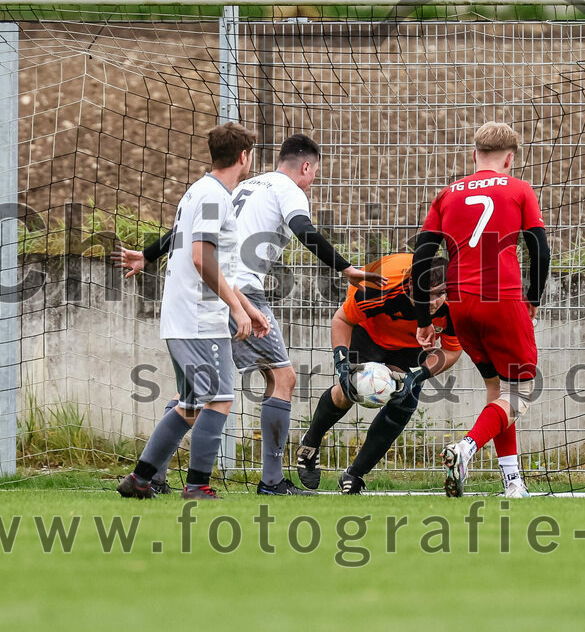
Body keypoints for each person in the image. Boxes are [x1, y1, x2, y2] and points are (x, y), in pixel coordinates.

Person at [114, 133, 383, 495]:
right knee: (281, 379)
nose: (313, 179)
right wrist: (345, 267)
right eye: (314, 172)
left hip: (214, 289)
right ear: (305, 166)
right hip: (236, 290)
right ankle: (269, 482)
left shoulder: (238, 187)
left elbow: (190, 230)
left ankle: (151, 475)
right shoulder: (289, 189)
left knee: (197, 390)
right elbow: (304, 230)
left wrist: (148, 254)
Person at [116, 121, 270, 500]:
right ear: (243, 157)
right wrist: (235, 308)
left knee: (189, 405)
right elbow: (202, 259)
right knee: (218, 398)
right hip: (200, 319)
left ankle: (139, 480)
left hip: (183, 316)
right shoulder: (215, 197)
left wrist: (247, 308)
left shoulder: (198, 192)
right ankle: (197, 485)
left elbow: (216, 265)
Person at [412, 121, 551, 498]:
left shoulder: (447, 194)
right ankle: (466, 448)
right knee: (521, 391)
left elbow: (422, 256)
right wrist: (533, 298)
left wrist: (425, 320)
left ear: (475, 155)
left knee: (497, 390)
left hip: (461, 304)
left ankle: (513, 483)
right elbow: (539, 249)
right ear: (510, 158)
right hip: (502, 298)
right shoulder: (520, 189)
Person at [295, 253, 462, 494]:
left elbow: (452, 350)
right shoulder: (378, 286)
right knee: (346, 392)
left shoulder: (455, 303)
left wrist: (416, 376)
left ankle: (354, 474)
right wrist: (342, 365)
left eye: (439, 293)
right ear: (409, 286)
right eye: (426, 295)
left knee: (403, 400)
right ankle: (309, 443)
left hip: (410, 346)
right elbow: (342, 319)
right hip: (369, 333)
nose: (433, 302)